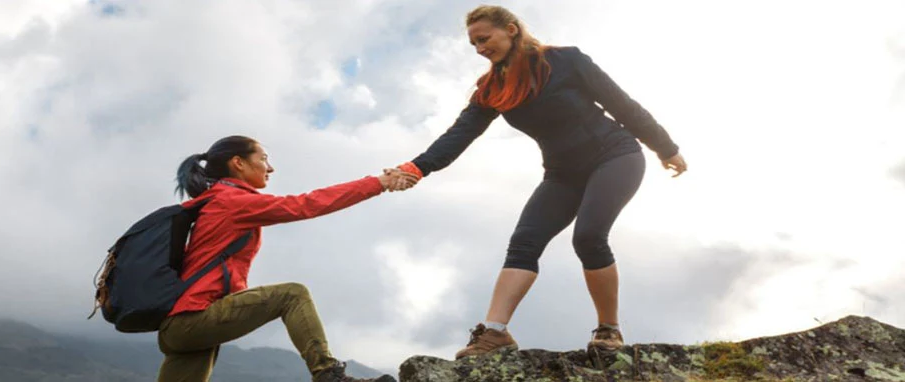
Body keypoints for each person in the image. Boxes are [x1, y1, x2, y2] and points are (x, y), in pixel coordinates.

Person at [390, 5, 688, 359]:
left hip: (614, 156)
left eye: (484, 39)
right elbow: (458, 136)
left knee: (589, 236)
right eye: (473, 44)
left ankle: (609, 329)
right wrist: (416, 168)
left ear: (511, 30)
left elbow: (621, 104)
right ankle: (495, 333)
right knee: (524, 242)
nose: (480, 49)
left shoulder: (565, 61)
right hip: (562, 174)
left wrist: (665, 147)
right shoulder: (491, 89)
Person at [159, 135, 412, 382]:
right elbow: (307, 204)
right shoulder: (231, 201)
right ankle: (327, 374)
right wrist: (378, 182)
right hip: (195, 317)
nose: (271, 168)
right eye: (264, 159)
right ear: (238, 163)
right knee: (292, 294)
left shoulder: (213, 200)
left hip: (180, 326)